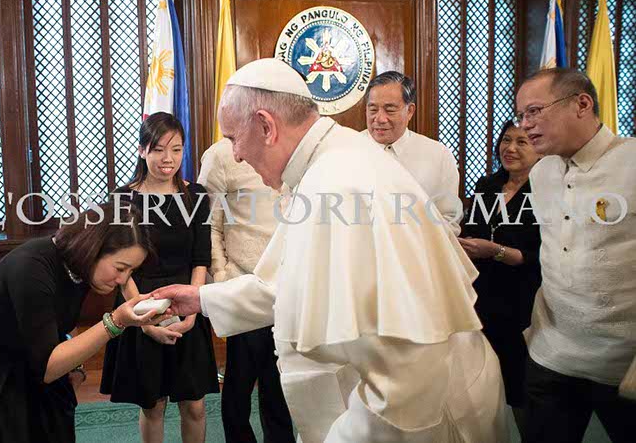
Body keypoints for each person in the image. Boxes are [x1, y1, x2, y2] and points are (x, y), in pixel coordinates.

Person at [151, 58, 509, 443]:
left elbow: (407, 368)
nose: (235, 155)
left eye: (234, 137)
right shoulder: (328, 162)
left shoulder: (340, 182)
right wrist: (202, 298)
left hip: (420, 419)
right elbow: (289, 283)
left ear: (266, 126)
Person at [0, 202, 171, 442]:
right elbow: (47, 368)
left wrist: (75, 367)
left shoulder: (79, 266)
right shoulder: (31, 267)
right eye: (121, 268)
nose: (123, 279)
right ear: (93, 248)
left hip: (36, 357)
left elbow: (62, 321)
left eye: (131, 272)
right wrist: (115, 322)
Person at [515, 68, 636, 443]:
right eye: (521, 115)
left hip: (622, 365)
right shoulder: (541, 172)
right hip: (552, 356)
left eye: (535, 111)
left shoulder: (631, 162)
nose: (525, 125)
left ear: (582, 104)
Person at [100, 112, 218, 443]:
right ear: (142, 151)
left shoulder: (196, 196)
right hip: (140, 301)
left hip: (187, 301)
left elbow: (201, 258)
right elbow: (120, 268)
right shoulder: (122, 198)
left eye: (176, 149)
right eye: (159, 149)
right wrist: (143, 320)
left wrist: (192, 308)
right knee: (153, 405)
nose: (168, 159)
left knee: (194, 404)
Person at [198, 138, 295, 443]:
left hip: (286, 286)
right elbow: (208, 224)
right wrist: (222, 276)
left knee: (278, 383)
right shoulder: (220, 155)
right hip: (241, 283)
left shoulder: (290, 145)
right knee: (239, 382)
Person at [460, 120, 542, 428]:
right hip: (482, 296)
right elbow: (470, 229)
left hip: (524, 301)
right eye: (506, 140)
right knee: (483, 381)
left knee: (521, 387)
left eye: (522, 142)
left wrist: (496, 251)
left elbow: (541, 255)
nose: (510, 148)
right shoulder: (487, 185)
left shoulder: (548, 190)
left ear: (539, 149)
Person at [363, 71, 462, 235]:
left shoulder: (438, 156)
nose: (380, 119)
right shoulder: (347, 151)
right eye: (373, 109)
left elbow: (449, 220)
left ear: (410, 111)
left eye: (390, 110)